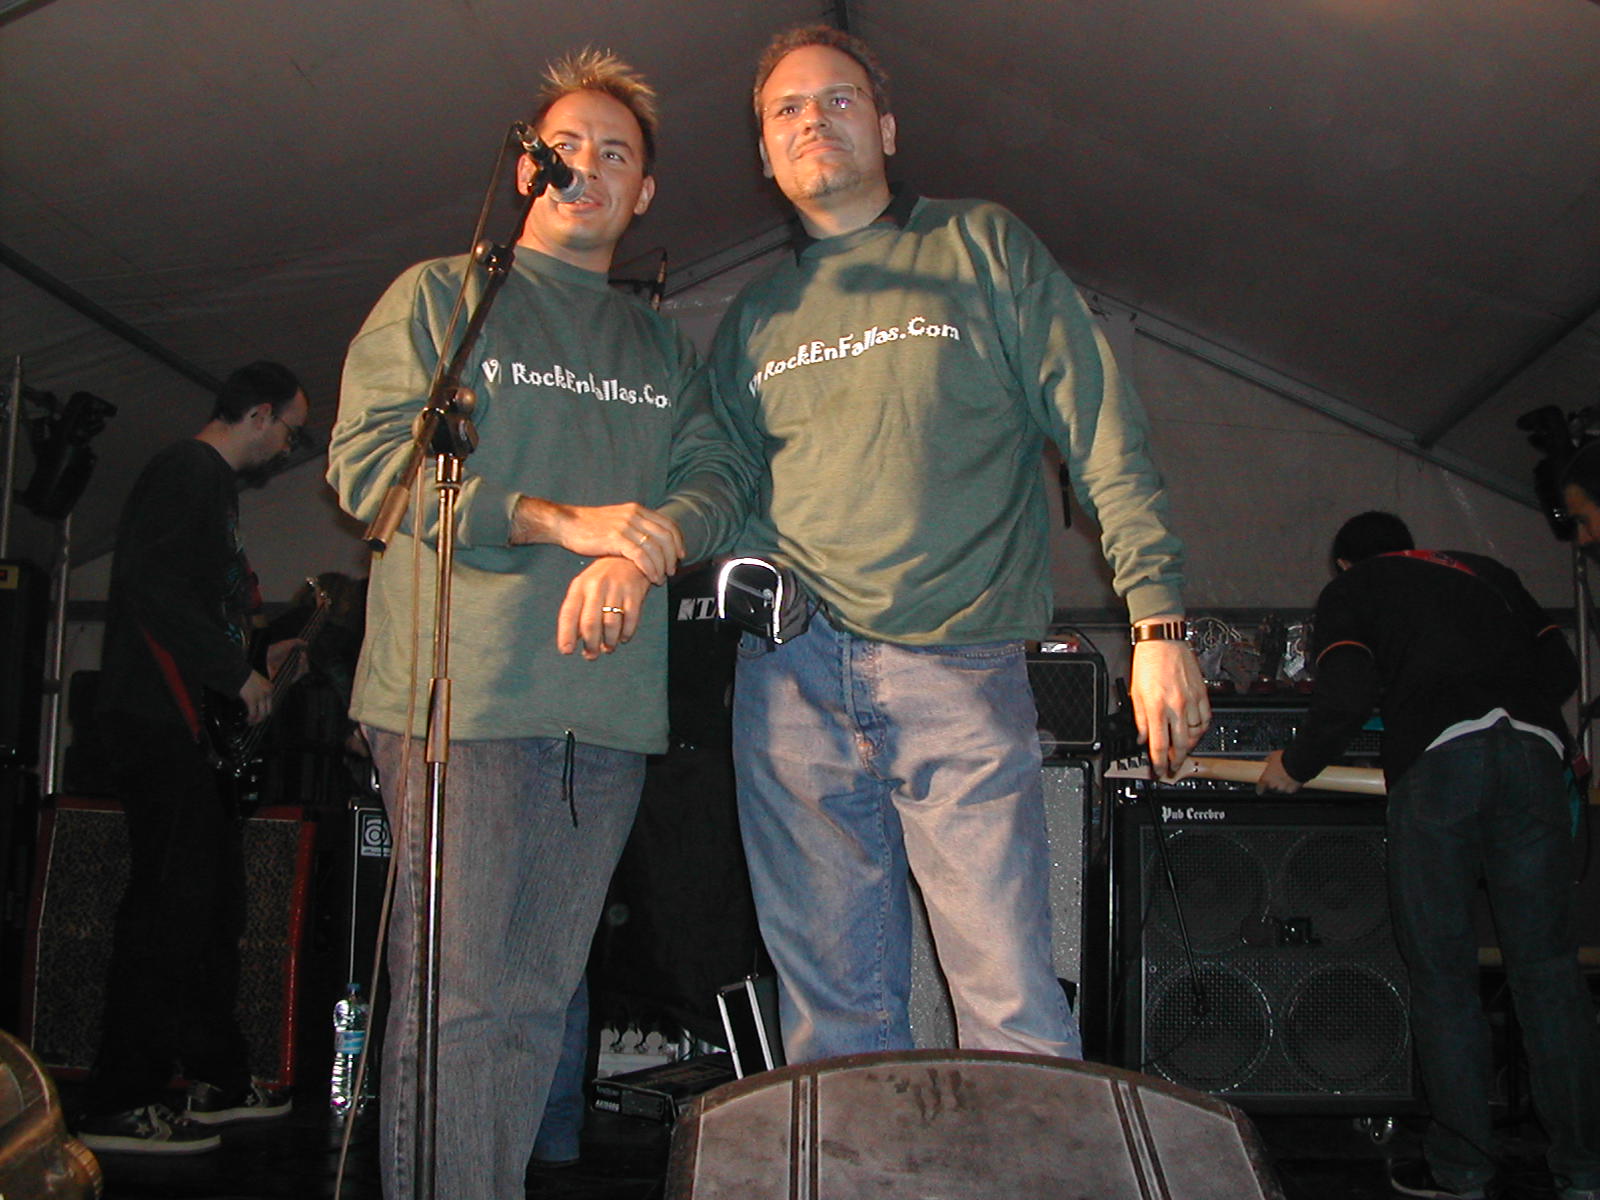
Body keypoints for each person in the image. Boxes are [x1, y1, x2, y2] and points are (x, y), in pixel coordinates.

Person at [671, 24, 1209, 1064]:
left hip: (957, 667)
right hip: (789, 682)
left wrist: (1157, 619)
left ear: (885, 128)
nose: (812, 120)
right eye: (786, 110)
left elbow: (1098, 424)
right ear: (765, 155)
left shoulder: (981, 245)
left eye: (838, 99)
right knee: (831, 1020)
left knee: (1009, 1003)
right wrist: (672, 539)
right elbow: (725, 484)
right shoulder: (753, 319)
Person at [326, 49, 744, 1200]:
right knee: (459, 1002)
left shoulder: (660, 347)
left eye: (616, 155)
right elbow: (371, 471)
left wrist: (645, 543)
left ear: (644, 192)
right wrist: (561, 521)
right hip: (462, 698)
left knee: (534, 1002)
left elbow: (720, 479)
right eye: (566, 149)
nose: (588, 169)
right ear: (526, 170)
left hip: (601, 719)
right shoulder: (441, 299)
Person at [1258, 511, 1600, 1200]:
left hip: (1440, 763)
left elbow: (1347, 691)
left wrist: (1295, 764)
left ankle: (1463, 1170)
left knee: (1445, 980)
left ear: (1345, 563)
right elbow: (1561, 667)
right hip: (1534, 755)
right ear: (1410, 546)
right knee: (1550, 975)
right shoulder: (1486, 570)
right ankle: (1585, 1170)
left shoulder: (1354, 589)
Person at [76, 361, 308, 1154]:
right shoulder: (187, 469)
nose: (288, 448)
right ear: (259, 414)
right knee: (170, 908)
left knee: (209, 907)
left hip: (181, 724)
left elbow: (195, 600)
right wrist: (232, 674)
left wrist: (257, 657)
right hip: (157, 719)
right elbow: (150, 586)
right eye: (290, 430)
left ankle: (218, 1074)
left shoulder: (210, 486)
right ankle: (118, 1098)